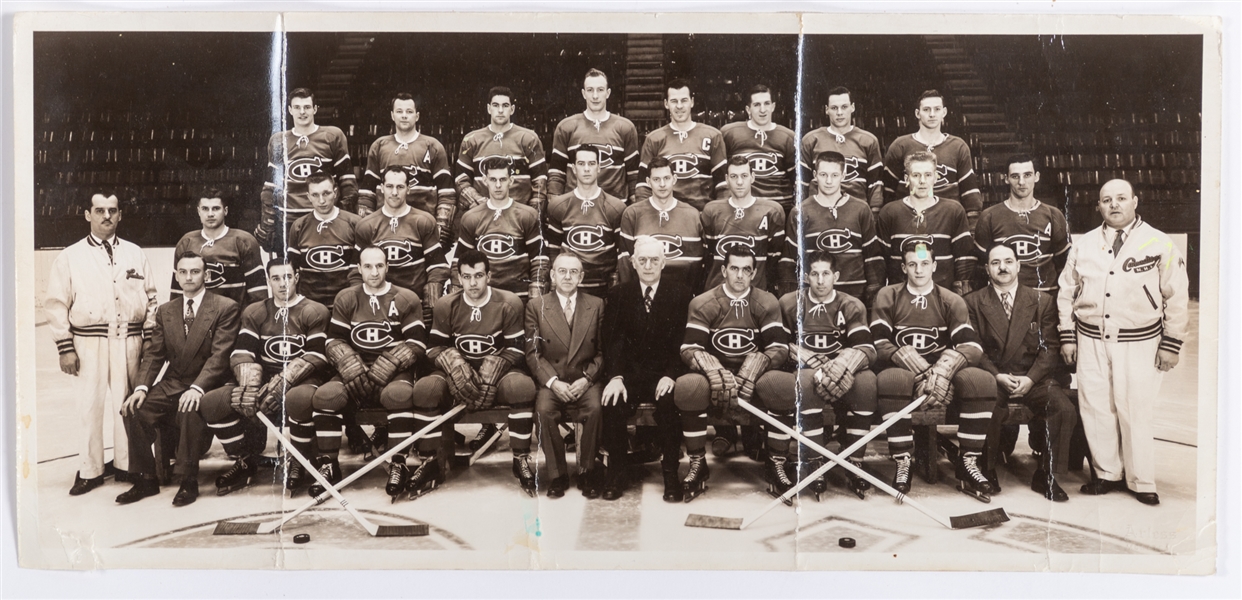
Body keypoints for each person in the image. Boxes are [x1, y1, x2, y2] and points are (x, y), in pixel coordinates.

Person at [1057, 179, 1189, 506]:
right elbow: (1065, 292)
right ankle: (1106, 474)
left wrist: (1171, 342)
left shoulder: (1159, 243)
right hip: (1090, 338)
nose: (1114, 205)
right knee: (1096, 406)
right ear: (1099, 206)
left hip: (1141, 340)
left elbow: (1177, 297)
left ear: (1135, 201)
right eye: (1106, 200)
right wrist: (1067, 335)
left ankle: (1141, 479)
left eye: (1120, 198)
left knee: (1135, 408)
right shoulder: (1084, 244)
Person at [45, 191, 158, 496]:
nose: (106, 216)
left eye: (112, 210)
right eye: (99, 211)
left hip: (130, 338)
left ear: (121, 214)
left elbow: (151, 298)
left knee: (129, 405)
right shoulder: (70, 256)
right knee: (89, 407)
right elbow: (56, 304)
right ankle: (90, 470)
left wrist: (149, 336)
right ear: (87, 215)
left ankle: (126, 464)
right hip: (88, 342)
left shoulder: (135, 253)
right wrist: (64, 347)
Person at [870, 240, 996, 501]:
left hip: (939, 371)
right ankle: (903, 459)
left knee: (981, 380)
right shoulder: (888, 295)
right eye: (912, 264)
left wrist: (943, 369)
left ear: (934, 266)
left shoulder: (950, 299)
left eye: (924, 264)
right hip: (903, 368)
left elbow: (971, 346)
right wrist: (912, 362)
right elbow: (879, 342)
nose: (919, 270)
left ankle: (968, 461)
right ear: (903, 267)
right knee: (892, 379)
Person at [117, 252, 241, 506]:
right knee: (133, 409)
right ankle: (146, 478)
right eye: (183, 272)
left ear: (206, 275)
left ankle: (188, 480)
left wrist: (197, 388)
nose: (188, 277)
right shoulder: (166, 311)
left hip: (209, 383)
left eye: (195, 271)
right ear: (176, 276)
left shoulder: (224, 307)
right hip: (174, 382)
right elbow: (154, 355)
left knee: (189, 409)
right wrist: (141, 387)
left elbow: (219, 357)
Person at [309, 246, 430, 502]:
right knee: (325, 396)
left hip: (393, 373)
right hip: (356, 371)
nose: (374, 272)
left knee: (399, 395)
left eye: (379, 266)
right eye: (368, 266)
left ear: (387, 267)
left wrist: (391, 363)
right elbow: (332, 341)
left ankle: (398, 463)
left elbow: (418, 344)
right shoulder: (347, 297)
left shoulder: (406, 297)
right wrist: (348, 363)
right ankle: (330, 465)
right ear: (359, 269)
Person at [199, 258, 330, 494]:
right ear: (268, 281)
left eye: (288, 277)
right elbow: (241, 352)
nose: (283, 284)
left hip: (303, 379)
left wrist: (284, 381)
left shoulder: (314, 310)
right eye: (276, 278)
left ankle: (299, 462)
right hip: (263, 379)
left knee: (297, 399)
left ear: (297, 277)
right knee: (211, 403)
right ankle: (245, 458)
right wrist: (250, 384)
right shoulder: (256, 310)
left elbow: (316, 356)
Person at [415, 249, 539, 495]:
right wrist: (451, 361)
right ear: (459, 278)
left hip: (498, 373)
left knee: (522, 387)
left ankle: (521, 457)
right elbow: (433, 348)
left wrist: (496, 366)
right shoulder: (445, 305)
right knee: (425, 390)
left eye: (479, 275)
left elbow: (517, 350)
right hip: (458, 374)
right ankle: (429, 461)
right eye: (467, 276)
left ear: (489, 276)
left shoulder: (509, 302)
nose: (473, 282)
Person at [674, 246, 789, 502]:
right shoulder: (703, 301)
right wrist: (710, 366)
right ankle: (697, 462)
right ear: (724, 270)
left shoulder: (766, 300)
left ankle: (776, 462)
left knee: (783, 385)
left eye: (746, 270)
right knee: (687, 387)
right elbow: (689, 347)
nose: (739, 275)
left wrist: (761, 363)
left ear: (754, 273)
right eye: (734, 268)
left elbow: (779, 347)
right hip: (714, 372)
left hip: (754, 375)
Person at [966, 244, 1076, 501]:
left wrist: (1031, 378)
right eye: (995, 263)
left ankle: (1047, 475)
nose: (1002, 267)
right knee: (986, 404)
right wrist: (995, 375)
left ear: (1018, 265)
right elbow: (972, 346)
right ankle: (987, 469)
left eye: (1008, 261)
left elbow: (1050, 346)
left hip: (1032, 376)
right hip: (994, 376)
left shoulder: (1042, 300)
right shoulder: (972, 301)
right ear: (987, 269)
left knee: (1062, 407)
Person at [770, 250, 877, 499]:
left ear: (835, 276)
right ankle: (815, 461)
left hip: (841, 374)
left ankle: (854, 461)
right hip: (805, 372)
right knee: (807, 382)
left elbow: (866, 347)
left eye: (826, 274)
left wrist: (843, 365)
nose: (820, 280)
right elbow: (777, 344)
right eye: (815, 274)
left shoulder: (851, 304)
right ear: (806, 276)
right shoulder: (788, 302)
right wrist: (810, 360)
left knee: (868, 383)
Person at [601, 236, 693, 502]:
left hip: (663, 373)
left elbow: (681, 341)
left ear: (664, 262)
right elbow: (613, 340)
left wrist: (671, 374)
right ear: (633, 262)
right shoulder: (620, 294)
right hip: (629, 375)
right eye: (643, 260)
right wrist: (616, 377)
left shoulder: (680, 293)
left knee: (669, 404)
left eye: (655, 260)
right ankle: (615, 473)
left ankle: (670, 475)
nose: (649, 265)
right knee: (611, 402)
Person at [526, 253, 605, 499]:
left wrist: (588, 379)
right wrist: (552, 382)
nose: (568, 277)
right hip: (553, 380)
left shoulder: (597, 304)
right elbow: (533, 354)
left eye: (573, 272)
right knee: (543, 410)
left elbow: (604, 352)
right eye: (562, 271)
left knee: (595, 409)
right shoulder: (536, 306)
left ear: (581, 277)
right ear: (552, 275)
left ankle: (587, 471)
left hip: (585, 379)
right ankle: (557, 475)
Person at [256, 88, 357, 251]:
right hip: (288, 218)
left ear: (315, 109)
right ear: (289, 110)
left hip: (323, 216)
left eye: (307, 107)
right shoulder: (278, 140)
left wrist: (344, 218)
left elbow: (347, 182)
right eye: (297, 107)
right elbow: (270, 187)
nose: (302, 112)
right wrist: (267, 223)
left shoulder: (333, 136)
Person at [778, 151, 885, 304]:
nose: (829, 181)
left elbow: (872, 256)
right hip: (815, 297)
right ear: (814, 175)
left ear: (844, 175)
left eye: (835, 175)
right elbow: (790, 259)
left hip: (855, 296)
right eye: (823, 174)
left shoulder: (861, 209)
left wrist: (873, 292)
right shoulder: (801, 212)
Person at [354, 165, 451, 319]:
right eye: (389, 186)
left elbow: (437, 267)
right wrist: (364, 301)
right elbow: (355, 271)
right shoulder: (366, 225)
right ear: (381, 188)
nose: (394, 192)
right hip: (378, 302)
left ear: (408, 188)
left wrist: (429, 299)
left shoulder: (423, 221)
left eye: (400, 187)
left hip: (414, 302)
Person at [359, 92, 456, 244]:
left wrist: (442, 227)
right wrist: (365, 226)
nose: (404, 116)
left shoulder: (433, 146)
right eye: (399, 111)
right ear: (392, 115)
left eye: (409, 112)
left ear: (417, 116)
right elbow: (367, 193)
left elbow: (447, 193)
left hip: (423, 225)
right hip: (385, 224)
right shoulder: (379, 146)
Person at [876, 150, 976, 297]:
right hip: (901, 299)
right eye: (916, 175)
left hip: (942, 296)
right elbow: (880, 261)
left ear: (935, 177)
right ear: (906, 178)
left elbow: (964, 259)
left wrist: (960, 297)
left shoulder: (953, 210)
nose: (922, 181)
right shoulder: (890, 212)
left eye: (928, 175)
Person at [973, 154, 1071, 293]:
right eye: (1015, 176)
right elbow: (981, 268)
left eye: (1027, 175)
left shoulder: (1053, 215)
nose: (1021, 182)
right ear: (1006, 179)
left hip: (1045, 298)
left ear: (1036, 176)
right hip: (1005, 299)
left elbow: (1065, 265)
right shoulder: (989, 216)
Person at [882, 89, 981, 227]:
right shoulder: (901, 145)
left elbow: (969, 193)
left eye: (937, 109)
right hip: (909, 219)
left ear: (944, 112)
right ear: (918, 113)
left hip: (948, 219)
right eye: (926, 109)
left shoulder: (958, 146)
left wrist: (972, 226)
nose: (932, 114)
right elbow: (888, 192)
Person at [456, 157, 547, 301]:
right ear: (485, 181)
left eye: (503, 179)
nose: (498, 185)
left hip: (519, 296)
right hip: (483, 298)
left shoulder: (527, 214)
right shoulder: (471, 217)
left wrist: (534, 299)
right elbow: (459, 261)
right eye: (493, 180)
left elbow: (539, 259)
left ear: (511, 181)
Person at [545, 145, 627, 296]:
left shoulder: (616, 207)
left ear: (599, 167)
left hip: (603, 288)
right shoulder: (558, 206)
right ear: (574, 169)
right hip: (568, 287)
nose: (587, 169)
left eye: (591, 163)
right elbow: (553, 250)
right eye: (581, 164)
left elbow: (620, 253)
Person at [633, 79, 727, 210]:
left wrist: (718, 216)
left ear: (692, 102)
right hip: (667, 215)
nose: (679, 106)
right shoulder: (654, 139)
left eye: (684, 100)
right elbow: (643, 187)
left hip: (702, 214)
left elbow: (723, 186)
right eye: (674, 101)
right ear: (666, 104)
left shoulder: (712, 136)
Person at [548, 69, 640, 201]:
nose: (595, 96)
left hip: (615, 206)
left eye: (600, 90)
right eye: (590, 90)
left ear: (608, 93)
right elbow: (557, 173)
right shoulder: (566, 127)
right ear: (583, 93)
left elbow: (634, 174)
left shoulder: (625, 127)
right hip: (575, 206)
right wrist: (555, 205)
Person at [455, 86, 548, 213]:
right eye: (495, 105)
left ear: (512, 109)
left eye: (505, 105)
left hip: (520, 215)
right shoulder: (472, 140)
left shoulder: (528, 138)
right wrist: (481, 206)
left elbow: (540, 181)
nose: (500, 110)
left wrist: (530, 216)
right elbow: (461, 180)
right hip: (482, 214)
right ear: (489, 108)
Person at [700, 155, 786, 294]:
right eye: (734, 176)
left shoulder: (772, 211)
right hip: (717, 292)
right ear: (727, 179)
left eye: (744, 176)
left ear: (752, 177)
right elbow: (708, 255)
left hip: (755, 292)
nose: (739, 182)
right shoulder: (712, 210)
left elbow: (773, 257)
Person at [617, 157, 706, 289]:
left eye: (667, 178)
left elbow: (700, 263)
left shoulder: (692, 215)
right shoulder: (633, 214)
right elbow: (625, 262)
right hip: (643, 294)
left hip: (683, 294)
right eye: (656, 179)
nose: (662, 184)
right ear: (648, 182)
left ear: (674, 179)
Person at [170, 190, 266, 307]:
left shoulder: (244, 241)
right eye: (205, 209)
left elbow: (258, 293)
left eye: (216, 208)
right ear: (198, 211)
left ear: (225, 211)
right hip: (197, 319)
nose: (210, 214)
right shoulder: (186, 242)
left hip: (234, 319)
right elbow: (177, 292)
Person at [799, 86, 885, 213]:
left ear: (853, 107)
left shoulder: (868, 140)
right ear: (826, 110)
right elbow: (802, 183)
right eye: (834, 108)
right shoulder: (811, 139)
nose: (839, 112)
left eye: (844, 107)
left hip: (857, 211)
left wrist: (874, 213)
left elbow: (875, 183)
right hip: (818, 211)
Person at [286, 172, 364, 308]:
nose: (321, 201)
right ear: (308, 197)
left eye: (326, 193)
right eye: (315, 195)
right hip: (309, 305)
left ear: (335, 192)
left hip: (345, 305)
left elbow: (359, 270)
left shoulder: (355, 223)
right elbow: (294, 270)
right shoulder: (299, 226)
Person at [720, 84, 798, 212]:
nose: (763, 110)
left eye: (767, 104)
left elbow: (795, 178)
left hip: (779, 207)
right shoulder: (730, 133)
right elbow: (723, 174)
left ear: (773, 106)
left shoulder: (788, 136)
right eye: (756, 105)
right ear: (748, 109)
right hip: (743, 207)